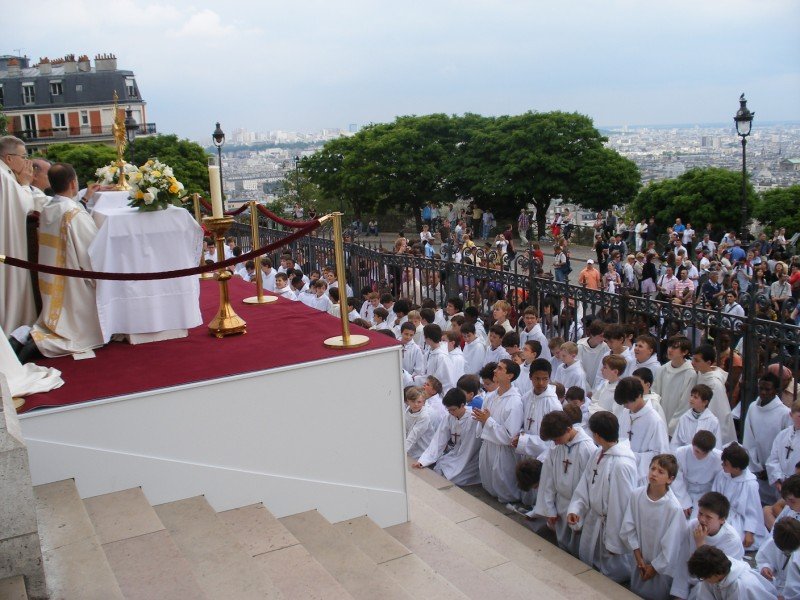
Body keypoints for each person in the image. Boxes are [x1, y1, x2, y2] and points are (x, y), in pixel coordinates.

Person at [26, 163, 104, 358]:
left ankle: (31, 340)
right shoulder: (74, 214)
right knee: (86, 329)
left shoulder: (49, 207)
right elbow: (92, 253)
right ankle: (38, 345)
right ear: (73, 183)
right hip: (72, 283)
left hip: (52, 279)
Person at [567, 411, 638, 583]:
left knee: (610, 574)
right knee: (590, 567)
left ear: (597, 435)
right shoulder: (598, 453)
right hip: (594, 519)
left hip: (610, 526)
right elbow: (586, 482)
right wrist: (577, 508)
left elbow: (621, 505)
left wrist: (615, 542)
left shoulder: (622, 464)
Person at [621, 454, 686, 600]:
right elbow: (629, 527)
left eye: (661, 472)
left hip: (660, 568)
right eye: (652, 468)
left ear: (670, 479)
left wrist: (654, 568)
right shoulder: (636, 495)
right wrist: (639, 558)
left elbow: (672, 545)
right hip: (639, 560)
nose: (654, 473)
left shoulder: (673, 508)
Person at [533, 410, 596, 556]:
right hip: (560, 503)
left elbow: (590, 485)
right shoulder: (556, 447)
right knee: (562, 546)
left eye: (557, 438)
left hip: (579, 506)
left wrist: (579, 509)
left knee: (578, 546)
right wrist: (549, 508)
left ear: (568, 429)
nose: (555, 442)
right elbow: (548, 479)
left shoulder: (587, 449)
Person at [0, 135, 41, 333]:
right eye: (23, 157)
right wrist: (25, 184)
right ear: (8, 158)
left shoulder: (5, 174)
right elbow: (26, 206)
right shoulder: (5, 177)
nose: (27, 162)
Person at [671, 492, 746, 599]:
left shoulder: (731, 539)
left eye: (708, 517)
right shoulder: (693, 526)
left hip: (712, 584)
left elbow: (718, 574)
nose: (702, 520)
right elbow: (683, 562)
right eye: (700, 513)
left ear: (722, 519)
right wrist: (679, 595)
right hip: (692, 578)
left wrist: (700, 544)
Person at [474, 359, 524, 503]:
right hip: (488, 446)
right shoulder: (491, 396)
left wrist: (487, 421)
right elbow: (483, 421)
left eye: (500, 369)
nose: (495, 371)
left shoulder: (515, 402)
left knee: (504, 491)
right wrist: (481, 419)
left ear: (510, 376)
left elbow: (510, 436)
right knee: (489, 487)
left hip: (502, 452)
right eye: (496, 368)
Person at [413, 388, 482, 486]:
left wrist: (457, 463)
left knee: (454, 478)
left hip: (471, 457)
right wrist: (423, 461)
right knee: (440, 467)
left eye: (453, 409)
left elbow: (469, 448)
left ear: (462, 405)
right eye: (448, 409)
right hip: (456, 452)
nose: (450, 412)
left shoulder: (473, 419)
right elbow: (438, 440)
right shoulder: (450, 416)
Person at [743, 373, 792, 505]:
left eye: (768, 389)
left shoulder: (784, 413)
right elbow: (749, 438)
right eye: (761, 388)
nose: (763, 392)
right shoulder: (753, 407)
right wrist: (756, 466)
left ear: (776, 391)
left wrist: (770, 469)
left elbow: (786, 443)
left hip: (775, 468)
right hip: (757, 467)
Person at [615, 377, 670, 485]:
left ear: (639, 395)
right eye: (623, 403)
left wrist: (632, 457)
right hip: (622, 469)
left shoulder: (655, 421)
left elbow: (660, 454)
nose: (625, 406)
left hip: (642, 477)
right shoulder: (625, 413)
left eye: (628, 402)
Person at [712, 443, 766, 549]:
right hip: (720, 513)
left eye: (726, 464)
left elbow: (753, 511)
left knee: (731, 541)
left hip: (739, 519)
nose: (722, 465)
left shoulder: (750, 484)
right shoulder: (722, 475)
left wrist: (749, 532)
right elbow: (714, 496)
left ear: (737, 468)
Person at [513, 358, 562, 460]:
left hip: (544, 458)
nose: (541, 383)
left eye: (545, 379)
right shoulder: (526, 397)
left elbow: (555, 438)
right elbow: (521, 423)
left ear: (549, 378)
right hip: (525, 454)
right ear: (530, 377)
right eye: (537, 378)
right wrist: (520, 435)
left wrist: (524, 441)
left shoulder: (553, 404)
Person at [687, 545, 778, 599]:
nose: (704, 580)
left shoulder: (741, 585)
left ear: (716, 574)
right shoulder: (711, 573)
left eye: (704, 578)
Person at [671, 431, 723, 519]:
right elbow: (677, 479)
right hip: (684, 489)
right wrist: (684, 502)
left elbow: (718, 483)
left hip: (706, 492)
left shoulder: (718, 458)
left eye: (704, 454)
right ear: (692, 444)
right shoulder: (681, 453)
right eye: (697, 451)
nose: (699, 456)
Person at [652, 335, 697, 435]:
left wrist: (673, 425)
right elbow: (655, 393)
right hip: (660, 417)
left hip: (676, 423)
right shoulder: (662, 369)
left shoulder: (690, 373)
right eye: (670, 346)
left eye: (675, 347)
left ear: (684, 352)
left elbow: (685, 403)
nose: (670, 350)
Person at [756, 517, 800, 597]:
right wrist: (766, 567)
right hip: (776, 584)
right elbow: (764, 558)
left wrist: (787, 598)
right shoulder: (774, 541)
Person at [670, 384, 721, 451]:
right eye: (691, 395)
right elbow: (675, 443)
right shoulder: (684, 418)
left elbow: (717, 447)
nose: (691, 399)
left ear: (705, 402)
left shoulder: (713, 421)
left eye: (695, 397)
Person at [766, 400, 800, 495]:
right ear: (791, 415)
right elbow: (773, 459)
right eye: (799, 416)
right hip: (782, 485)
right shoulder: (782, 435)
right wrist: (778, 479)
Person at [404, 387, 435, 459]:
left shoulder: (424, 416)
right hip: (410, 448)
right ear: (408, 401)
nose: (416, 404)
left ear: (423, 403)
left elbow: (414, 435)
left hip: (422, 450)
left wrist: (403, 451)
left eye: (419, 402)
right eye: (413, 401)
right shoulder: (408, 410)